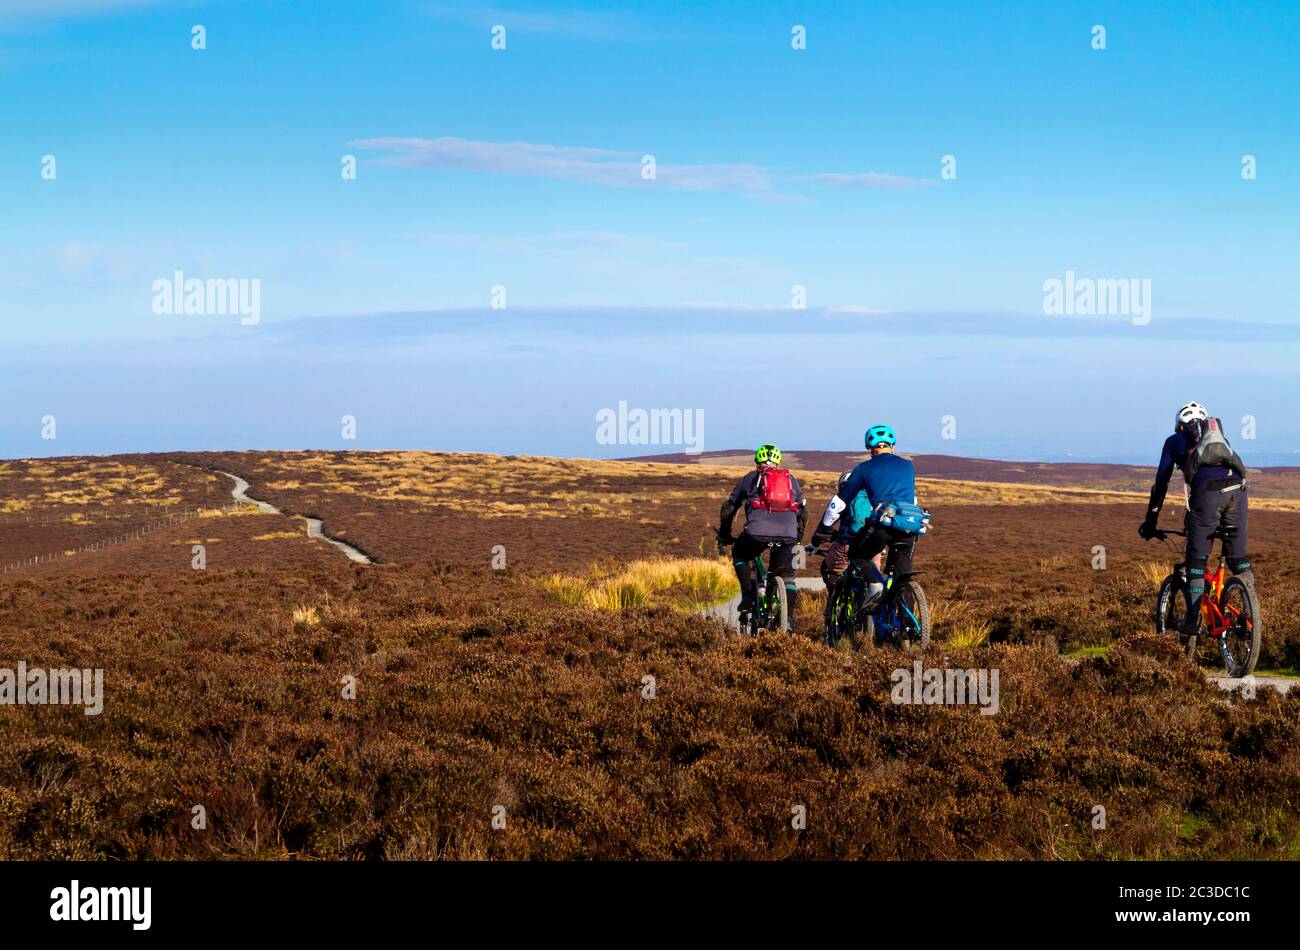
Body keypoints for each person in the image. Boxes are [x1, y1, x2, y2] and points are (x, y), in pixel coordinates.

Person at [1138, 401, 1253, 639]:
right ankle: (1251, 611)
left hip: (1207, 496)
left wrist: (1151, 520)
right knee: (1238, 559)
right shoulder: (1220, 441)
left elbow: (1161, 482)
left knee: (1196, 562)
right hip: (1238, 494)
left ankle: (1192, 621)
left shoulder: (1174, 441)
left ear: (1180, 426)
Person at [812, 424, 922, 605]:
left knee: (857, 553)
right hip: (910, 526)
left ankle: (875, 584)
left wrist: (822, 530)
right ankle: (906, 626)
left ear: (869, 448)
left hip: (883, 525)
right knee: (901, 578)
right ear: (892, 445)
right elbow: (912, 500)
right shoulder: (908, 466)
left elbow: (838, 504)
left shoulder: (864, 469)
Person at [717, 443, 807, 630]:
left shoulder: (750, 478)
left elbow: (729, 508)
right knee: (788, 575)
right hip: (788, 534)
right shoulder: (791, 480)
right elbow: (803, 513)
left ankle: (749, 595)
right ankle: (788, 619)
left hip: (756, 532)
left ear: (757, 461)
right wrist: (797, 538)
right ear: (778, 462)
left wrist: (725, 535)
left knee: (741, 554)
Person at [818, 470, 882, 589]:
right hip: (874, 544)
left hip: (848, 544)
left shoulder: (844, 499)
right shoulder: (875, 498)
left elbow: (827, 525)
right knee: (873, 577)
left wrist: (817, 541)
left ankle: (834, 601)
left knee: (828, 568)